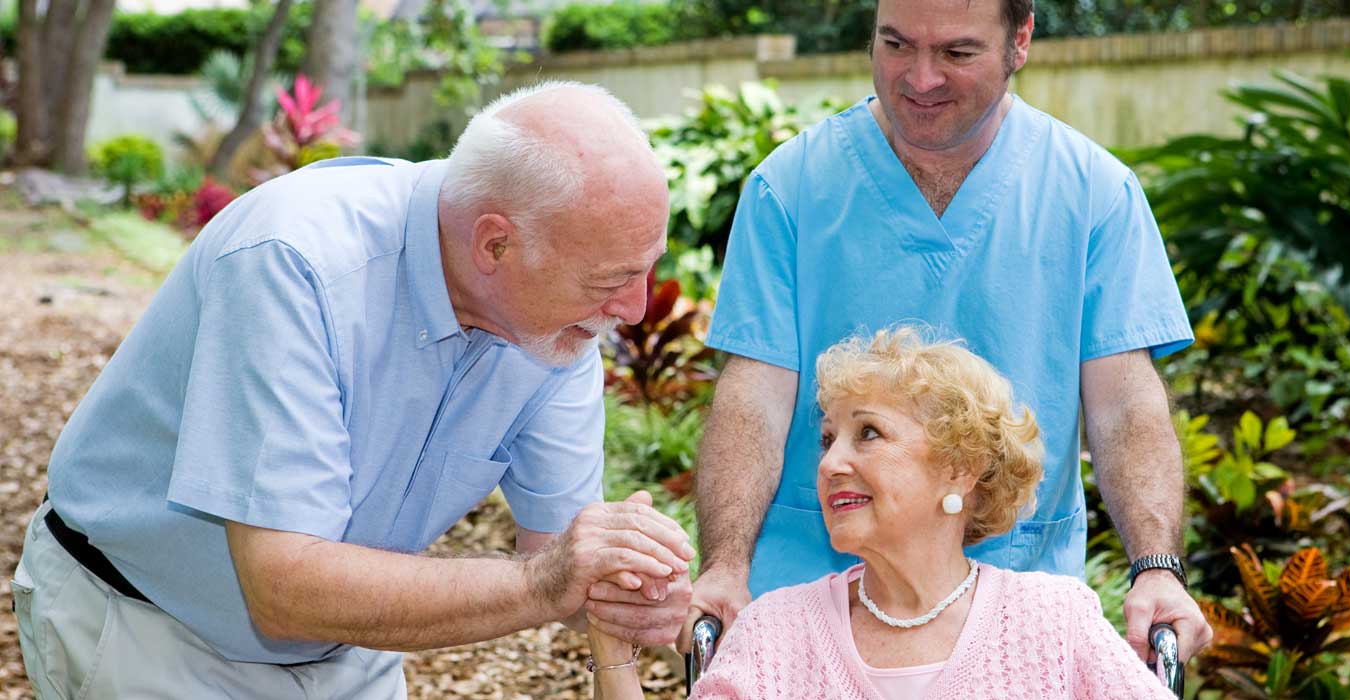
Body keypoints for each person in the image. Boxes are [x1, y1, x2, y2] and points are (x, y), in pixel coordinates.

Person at [10, 81, 694, 699]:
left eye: (646, 272)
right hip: (148, 625)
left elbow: (559, 567)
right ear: (494, 246)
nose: (634, 309)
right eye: (610, 281)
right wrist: (549, 586)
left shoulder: (559, 326)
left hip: (348, 642)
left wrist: (624, 590)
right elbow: (285, 587)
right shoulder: (295, 259)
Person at [678, 0, 1213, 664]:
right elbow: (753, 395)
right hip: (808, 603)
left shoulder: (1095, 193)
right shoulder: (789, 189)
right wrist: (727, 565)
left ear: (1020, 40)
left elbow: (1125, 403)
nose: (920, 79)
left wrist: (1157, 566)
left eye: (957, 54)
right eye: (896, 45)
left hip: (1018, 607)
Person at [691, 328, 1175, 698]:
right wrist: (613, 651)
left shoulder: (1056, 622)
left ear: (959, 469)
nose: (831, 463)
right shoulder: (772, 634)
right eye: (827, 440)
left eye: (869, 433)